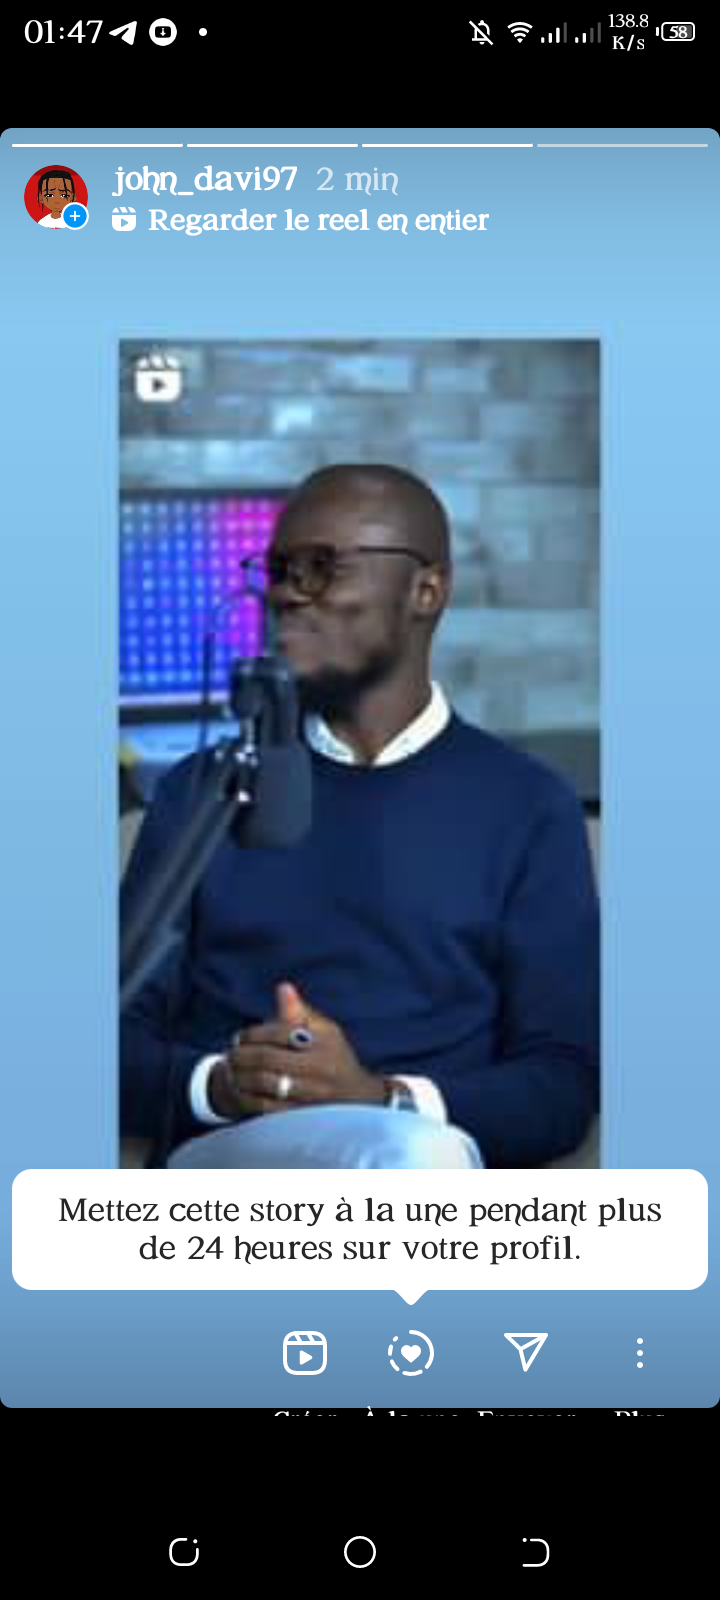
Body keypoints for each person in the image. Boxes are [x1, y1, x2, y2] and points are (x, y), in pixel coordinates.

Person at [120, 463, 599, 1169]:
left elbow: (562, 1084)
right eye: (278, 570)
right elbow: (107, 1037)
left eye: (321, 567)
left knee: (411, 1159)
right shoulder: (202, 791)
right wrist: (225, 1084)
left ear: (426, 590)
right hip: (230, 1172)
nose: (286, 593)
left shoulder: (529, 805)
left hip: (429, 1172)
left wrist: (382, 1100)